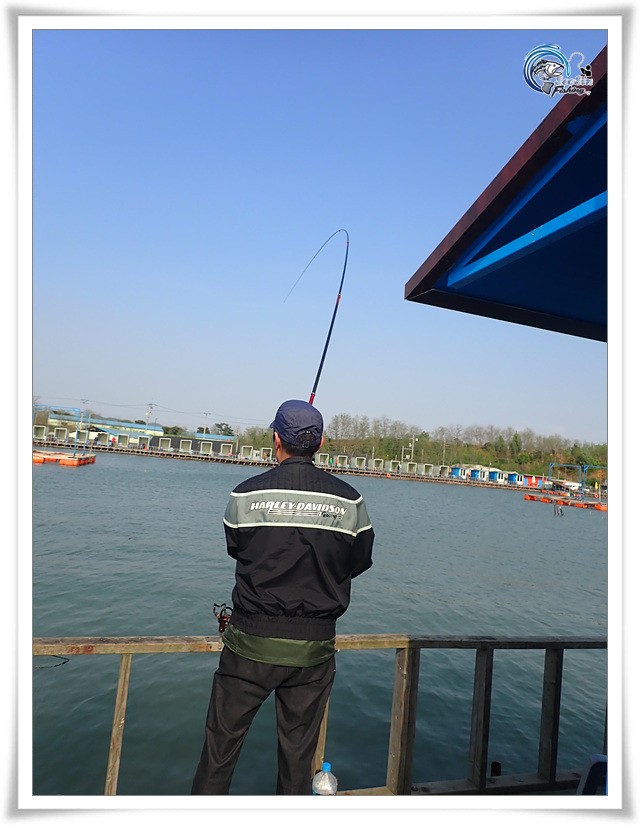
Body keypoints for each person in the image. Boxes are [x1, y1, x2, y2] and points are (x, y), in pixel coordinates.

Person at [191, 399, 374, 795]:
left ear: (276, 438)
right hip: (313, 653)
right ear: (320, 443)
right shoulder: (350, 501)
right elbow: (358, 561)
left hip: (248, 647)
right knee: (296, 762)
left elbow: (237, 548)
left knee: (219, 753)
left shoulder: (245, 495)